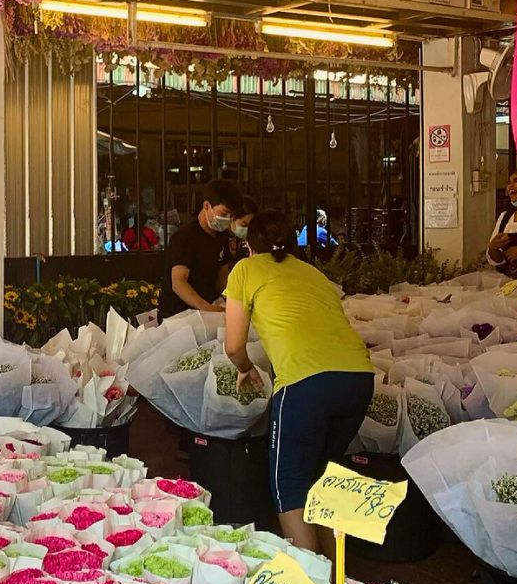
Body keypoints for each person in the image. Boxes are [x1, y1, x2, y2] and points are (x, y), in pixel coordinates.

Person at [223, 209, 374, 555]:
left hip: (305, 385)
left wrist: (245, 367)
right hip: (358, 380)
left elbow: (233, 346)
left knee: (289, 485)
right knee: (320, 477)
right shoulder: (312, 273)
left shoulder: (245, 270)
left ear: (249, 246)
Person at [157, 179, 246, 319]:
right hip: (178, 316)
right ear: (206, 206)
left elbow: (221, 276)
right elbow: (178, 283)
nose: (227, 219)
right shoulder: (184, 237)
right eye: (223, 214)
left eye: (231, 216)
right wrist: (209, 309)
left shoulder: (222, 236)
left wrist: (230, 301)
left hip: (208, 312)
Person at [486, 166, 517, 281]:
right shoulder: (504, 218)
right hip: (509, 286)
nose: (510, 186)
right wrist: (493, 247)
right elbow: (498, 260)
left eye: (516, 181)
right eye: (508, 183)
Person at [221, 196, 260, 279]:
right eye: (244, 224)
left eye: (250, 226)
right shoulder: (219, 237)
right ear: (231, 219)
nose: (247, 229)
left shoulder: (247, 239)